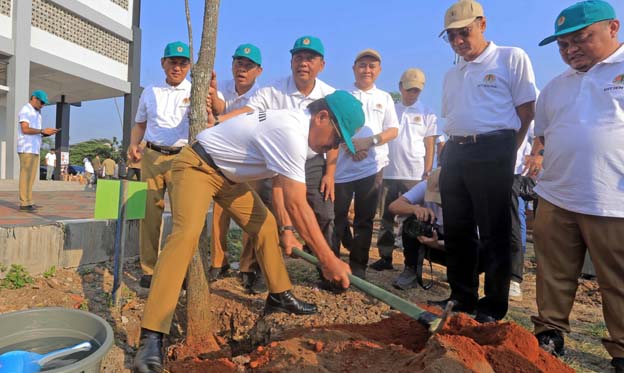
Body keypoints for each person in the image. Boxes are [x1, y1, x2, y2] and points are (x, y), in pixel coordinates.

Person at [133, 90, 364, 372]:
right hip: (197, 166)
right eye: (337, 138)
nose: (333, 147)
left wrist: (287, 229)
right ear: (322, 117)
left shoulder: (300, 135)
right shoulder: (290, 131)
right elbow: (296, 201)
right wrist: (329, 260)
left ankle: (279, 295)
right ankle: (151, 335)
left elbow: (281, 187)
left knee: (265, 225)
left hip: (229, 179)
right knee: (186, 235)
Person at [531, 2, 624, 370]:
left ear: (613, 28)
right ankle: (549, 333)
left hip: (613, 199)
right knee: (553, 271)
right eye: (563, 45)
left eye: (581, 39)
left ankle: (620, 350)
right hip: (556, 194)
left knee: (617, 279)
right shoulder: (555, 88)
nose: (571, 50)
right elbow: (542, 137)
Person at [432, 0, 537, 323]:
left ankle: (492, 305)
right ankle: (461, 297)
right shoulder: (452, 74)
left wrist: (508, 151)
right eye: (451, 37)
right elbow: (451, 116)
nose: (458, 42)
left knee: (494, 230)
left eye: (464, 33)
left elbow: (527, 111)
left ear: (482, 24)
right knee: (458, 229)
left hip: (495, 148)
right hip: (456, 151)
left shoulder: (510, 57)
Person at [220, 36, 340, 272]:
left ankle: (328, 270)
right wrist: (219, 120)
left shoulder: (330, 95)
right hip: (272, 160)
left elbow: (334, 138)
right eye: (298, 58)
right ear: (291, 62)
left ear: (321, 65)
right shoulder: (272, 90)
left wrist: (331, 174)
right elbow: (247, 110)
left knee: (324, 212)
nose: (303, 63)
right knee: (263, 213)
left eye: (310, 58)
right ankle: (255, 270)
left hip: (312, 160)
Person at [127, 41, 216, 288]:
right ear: (163, 63)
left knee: (184, 217)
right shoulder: (150, 91)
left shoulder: (196, 91)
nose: (177, 67)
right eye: (172, 62)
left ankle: (184, 270)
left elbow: (209, 123)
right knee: (150, 214)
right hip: (152, 157)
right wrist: (133, 144)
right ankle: (149, 268)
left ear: (189, 66)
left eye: (182, 63)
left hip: (183, 158)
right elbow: (140, 125)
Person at [333, 49, 398, 279]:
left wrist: (368, 143)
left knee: (364, 219)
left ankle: (358, 268)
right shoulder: (341, 95)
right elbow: (333, 125)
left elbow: (392, 130)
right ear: (354, 68)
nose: (367, 70)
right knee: (337, 217)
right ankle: (331, 265)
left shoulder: (385, 98)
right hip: (342, 169)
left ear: (378, 71)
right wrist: (351, 146)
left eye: (372, 66)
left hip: (372, 168)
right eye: (362, 65)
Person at [209, 43, 267, 292]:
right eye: (238, 63)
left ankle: (246, 265)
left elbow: (243, 113)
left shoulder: (262, 94)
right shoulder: (220, 88)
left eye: (248, 66)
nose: (242, 69)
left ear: (258, 71)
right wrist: (210, 93)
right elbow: (216, 104)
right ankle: (218, 261)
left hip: (249, 161)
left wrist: (220, 115)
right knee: (218, 214)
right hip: (221, 160)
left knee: (248, 214)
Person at [373, 67, 439, 271]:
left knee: (413, 218)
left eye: (417, 90)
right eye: (409, 89)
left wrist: (428, 170)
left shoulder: (427, 112)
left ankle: (413, 263)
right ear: (400, 87)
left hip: (415, 174)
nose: (412, 93)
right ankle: (385, 257)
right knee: (386, 217)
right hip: (390, 171)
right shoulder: (391, 109)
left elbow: (430, 144)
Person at [388, 168, 445, 290]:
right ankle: (410, 269)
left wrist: (438, 245)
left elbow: (474, 242)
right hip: (430, 241)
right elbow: (394, 206)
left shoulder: (469, 196)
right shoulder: (426, 185)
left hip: (456, 247)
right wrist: (415, 209)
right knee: (412, 221)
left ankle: (462, 277)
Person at [17, 90, 58, 212]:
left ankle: (29, 201)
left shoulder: (37, 113)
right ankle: (24, 202)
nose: (43, 105)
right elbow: (25, 129)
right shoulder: (26, 110)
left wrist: (46, 133)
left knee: (31, 177)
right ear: (34, 98)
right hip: (26, 147)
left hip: (34, 148)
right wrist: (41, 131)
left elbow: (36, 132)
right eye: (41, 102)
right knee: (25, 176)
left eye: (44, 103)